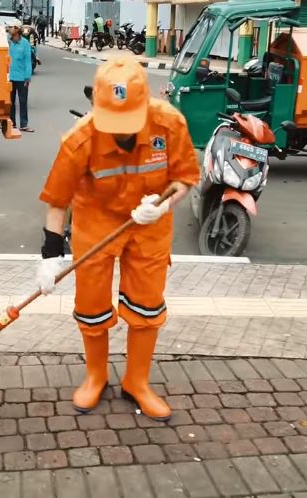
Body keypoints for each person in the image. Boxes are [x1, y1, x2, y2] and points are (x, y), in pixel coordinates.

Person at [35, 57, 199, 421]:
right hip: (96, 223)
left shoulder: (170, 123)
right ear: (97, 105)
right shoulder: (80, 138)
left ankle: (136, 382)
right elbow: (56, 203)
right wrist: (49, 256)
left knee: (147, 306)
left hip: (149, 222)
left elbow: (184, 178)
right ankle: (96, 376)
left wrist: (164, 205)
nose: (122, 133)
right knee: (91, 305)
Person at [7, 19, 34, 132]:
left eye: (12, 28)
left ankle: (24, 124)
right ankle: (12, 123)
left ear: (18, 32)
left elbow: (28, 61)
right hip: (10, 77)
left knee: (23, 101)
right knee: (10, 102)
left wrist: (27, 77)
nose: (12, 38)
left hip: (22, 77)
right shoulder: (8, 43)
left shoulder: (25, 44)